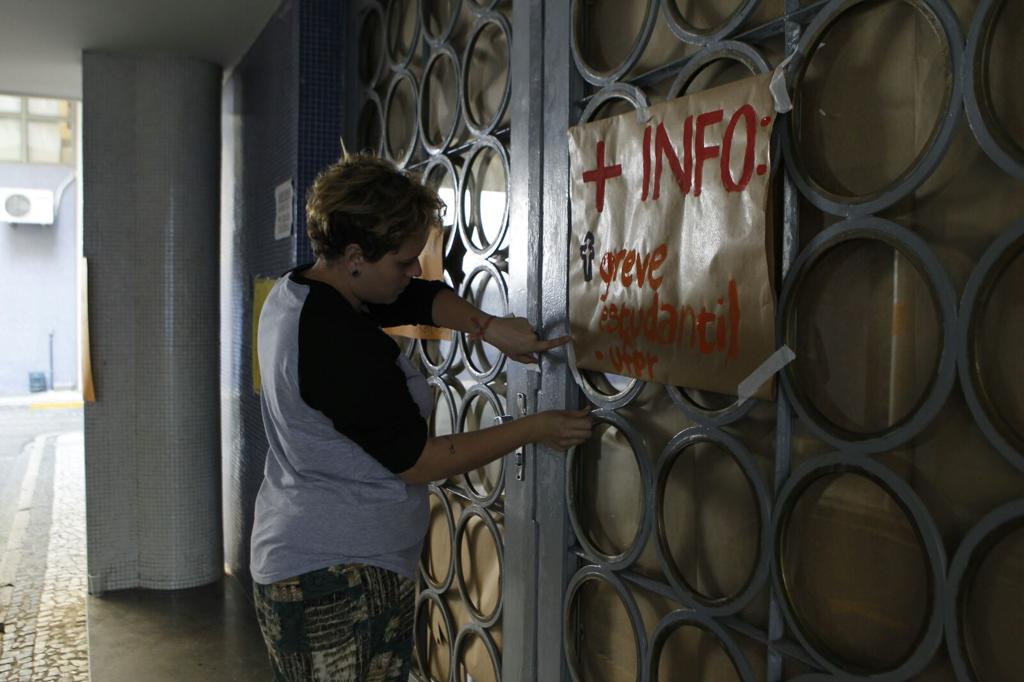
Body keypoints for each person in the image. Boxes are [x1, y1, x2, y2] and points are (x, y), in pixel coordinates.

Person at [250, 153, 592, 681]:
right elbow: (417, 460)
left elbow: (418, 299)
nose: (415, 270)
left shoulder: (302, 292)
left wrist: (488, 326)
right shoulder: (337, 341)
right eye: (404, 260)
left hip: (311, 553)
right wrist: (534, 428)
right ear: (356, 255)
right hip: (337, 580)